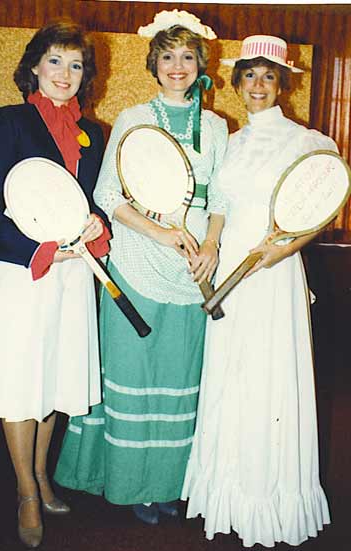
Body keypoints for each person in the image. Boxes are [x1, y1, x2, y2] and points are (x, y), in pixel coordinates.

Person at [54, 9, 228, 525]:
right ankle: (131, 486)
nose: (178, 66)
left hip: (192, 269)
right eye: (168, 56)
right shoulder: (132, 119)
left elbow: (221, 198)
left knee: (180, 375)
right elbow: (109, 195)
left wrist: (211, 247)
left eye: (188, 57)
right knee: (134, 373)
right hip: (137, 260)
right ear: (155, 63)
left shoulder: (218, 126)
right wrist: (162, 233)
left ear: (201, 64)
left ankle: (169, 485)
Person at [182, 34, 335, 547]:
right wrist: (208, 250)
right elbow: (219, 208)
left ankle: (268, 503)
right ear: (237, 81)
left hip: (273, 273)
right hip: (232, 277)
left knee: (270, 378)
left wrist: (287, 249)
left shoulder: (305, 141)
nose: (258, 85)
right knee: (233, 377)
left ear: (282, 84)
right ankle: (226, 495)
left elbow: (323, 205)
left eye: (269, 76)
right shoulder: (232, 141)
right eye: (249, 74)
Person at [0, 20, 110, 548]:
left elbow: (85, 203)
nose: (65, 74)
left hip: (72, 275)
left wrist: (96, 225)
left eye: (76, 65)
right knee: (22, 382)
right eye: (55, 61)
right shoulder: (9, 121)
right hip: (26, 273)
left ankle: (43, 473)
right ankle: (27, 489)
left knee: (53, 377)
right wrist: (38, 250)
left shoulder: (93, 132)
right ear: (33, 66)